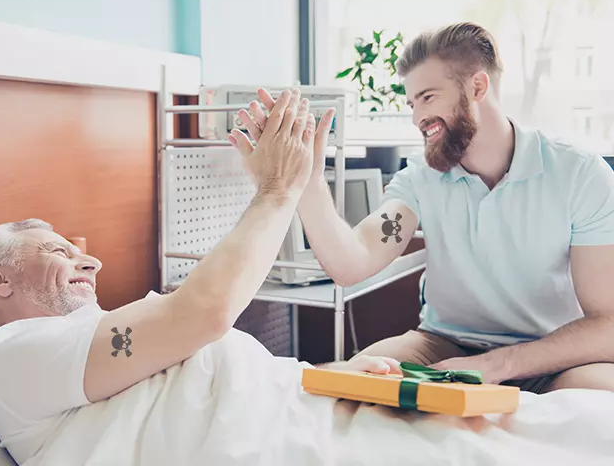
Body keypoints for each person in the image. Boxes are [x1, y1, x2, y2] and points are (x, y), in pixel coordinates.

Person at [0, 89, 399, 465]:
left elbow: (219, 380)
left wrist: (328, 376)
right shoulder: (13, 359)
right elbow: (205, 315)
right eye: (58, 251)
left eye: (81, 254)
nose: (92, 264)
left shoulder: (109, 340)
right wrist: (279, 188)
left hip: (311, 420)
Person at [232, 22, 614, 394]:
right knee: (357, 381)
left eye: (428, 97)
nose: (417, 117)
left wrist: (497, 365)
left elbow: (607, 325)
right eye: (412, 102)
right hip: (443, 346)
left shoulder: (579, 174)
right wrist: (309, 184)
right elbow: (352, 263)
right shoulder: (420, 177)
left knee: (597, 404)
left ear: (477, 86)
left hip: (550, 356)